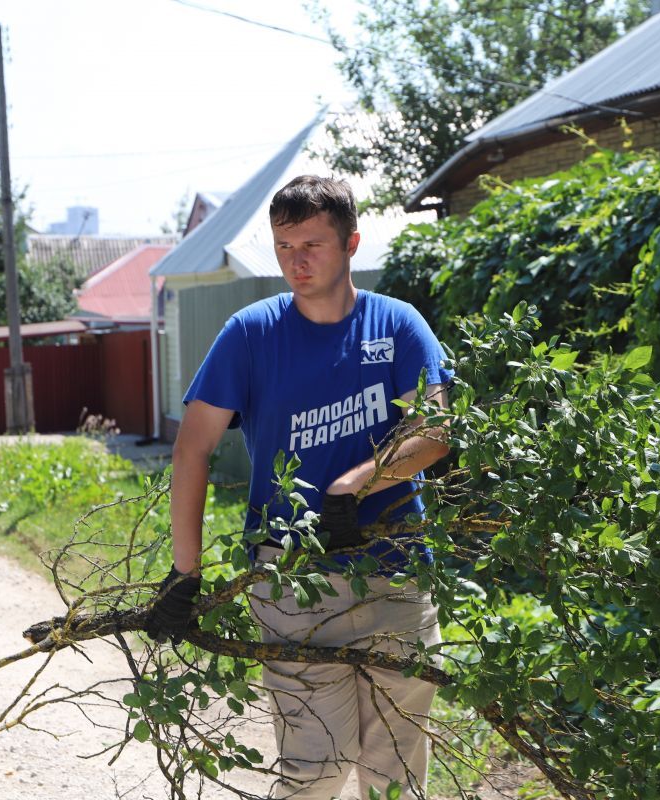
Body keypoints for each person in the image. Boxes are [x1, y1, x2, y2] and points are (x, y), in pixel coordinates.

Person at [145, 175, 452, 799]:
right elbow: (192, 448)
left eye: (311, 244)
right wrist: (186, 572)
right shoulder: (250, 335)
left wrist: (356, 485)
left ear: (351, 244)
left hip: (395, 575)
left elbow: (438, 430)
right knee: (314, 772)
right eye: (284, 246)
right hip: (293, 587)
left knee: (395, 774)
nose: (296, 260)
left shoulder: (396, 326)